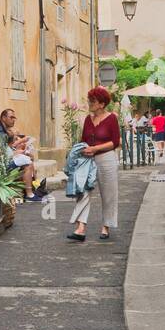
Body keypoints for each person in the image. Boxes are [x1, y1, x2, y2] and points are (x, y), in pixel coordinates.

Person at [67, 87, 121, 241]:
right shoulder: (87, 119)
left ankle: (106, 226)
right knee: (82, 191)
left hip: (106, 159)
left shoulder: (111, 119)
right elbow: (83, 139)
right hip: (88, 160)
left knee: (108, 194)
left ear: (102, 104)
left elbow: (115, 142)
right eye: (90, 100)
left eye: (93, 101)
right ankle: (81, 228)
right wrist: (82, 150)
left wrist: (95, 148)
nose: (90, 103)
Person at [0, 107, 37, 200]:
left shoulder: (4, 130)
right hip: (0, 164)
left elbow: (7, 149)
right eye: (11, 117)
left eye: (14, 118)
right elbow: (2, 152)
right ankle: (29, 194)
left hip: (6, 159)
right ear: (3, 118)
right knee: (28, 163)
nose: (13, 120)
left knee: (29, 157)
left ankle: (31, 190)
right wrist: (17, 148)